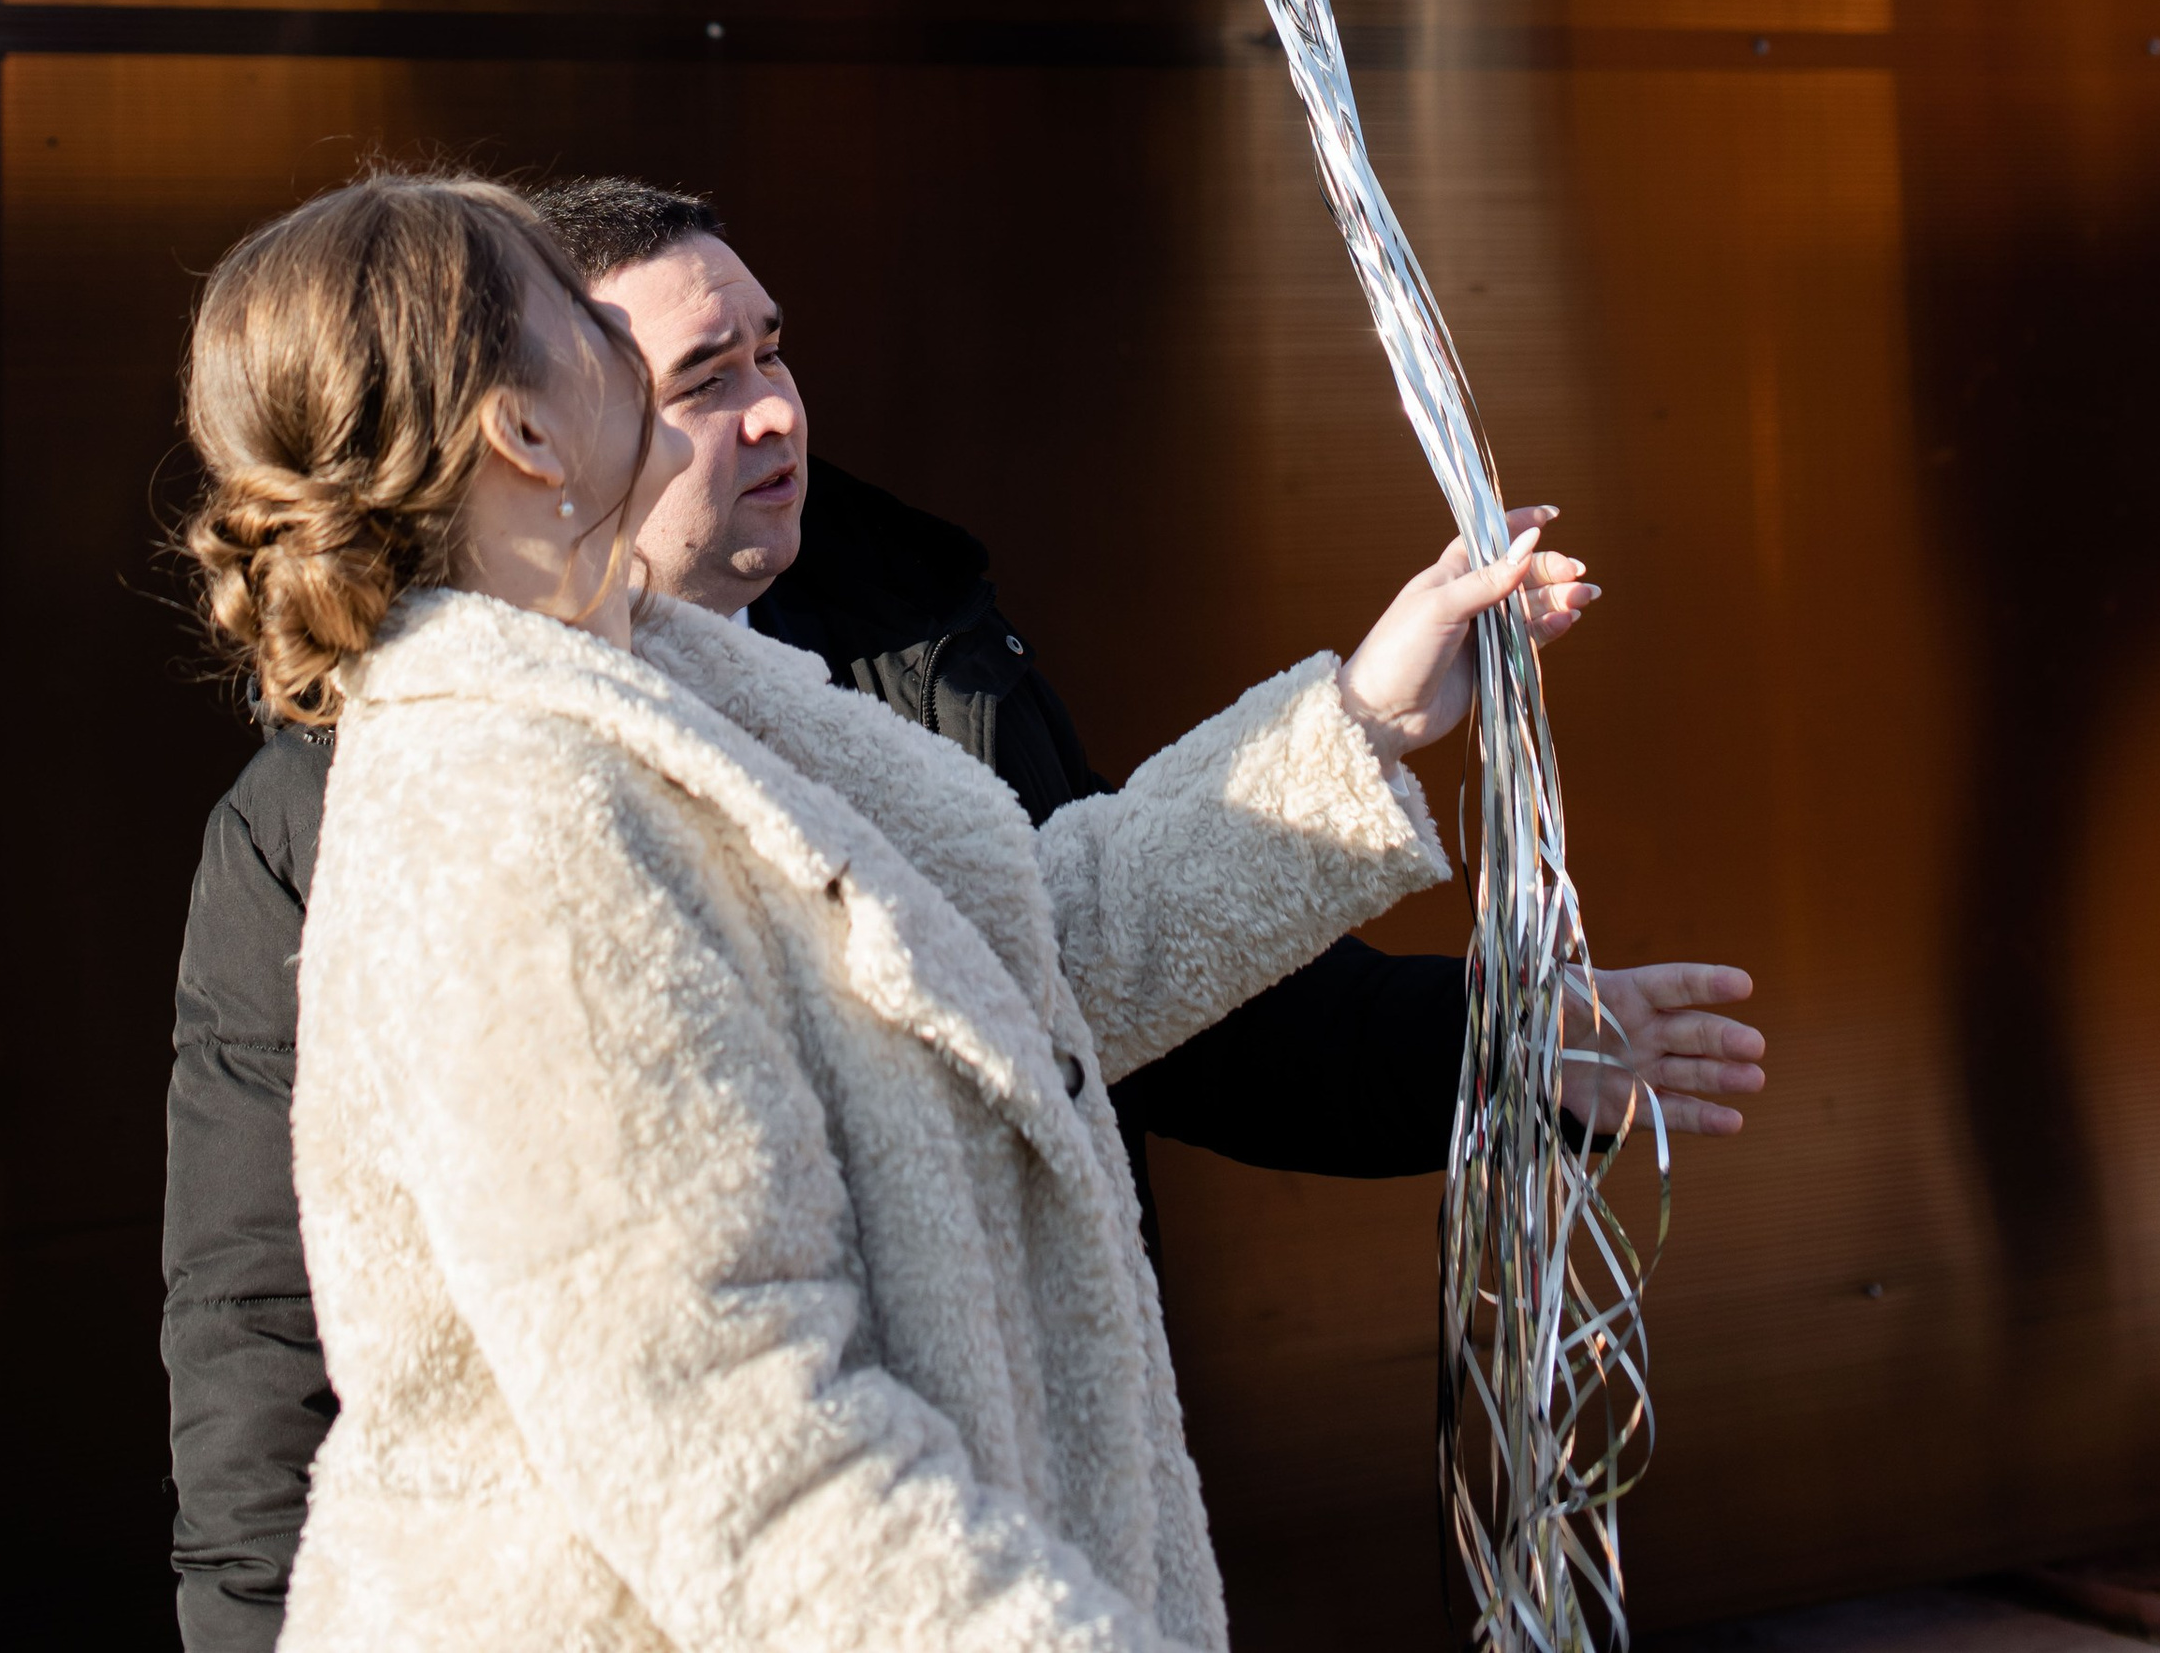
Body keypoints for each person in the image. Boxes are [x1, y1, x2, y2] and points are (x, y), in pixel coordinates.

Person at [163, 177, 1763, 1647]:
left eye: (771, 351)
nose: (770, 405)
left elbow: (1013, 955)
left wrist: (1363, 722)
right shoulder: (510, 809)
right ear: (523, 430)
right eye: (636, 346)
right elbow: (736, 1432)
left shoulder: (689, 688)